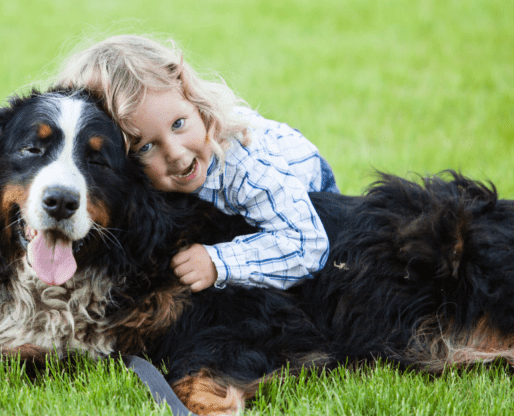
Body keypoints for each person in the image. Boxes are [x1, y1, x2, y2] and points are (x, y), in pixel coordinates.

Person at [55, 34, 340, 292]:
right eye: (147, 147)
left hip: (311, 194)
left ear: (193, 98)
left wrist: (218, 262)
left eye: (179, 124)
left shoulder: (244, 164)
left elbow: (306, 245)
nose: (177, 154)